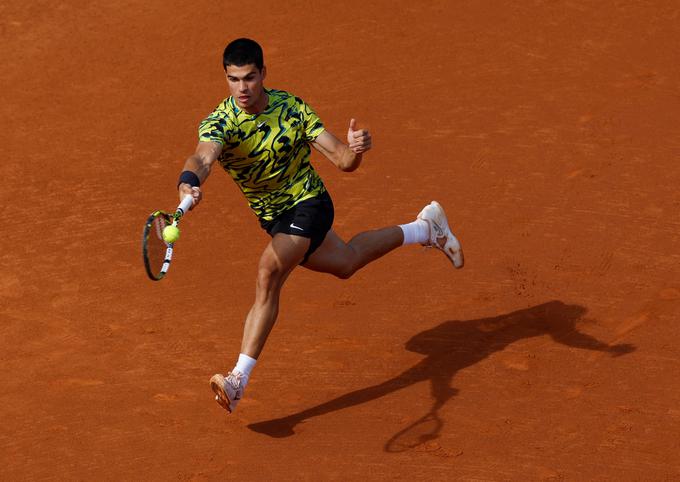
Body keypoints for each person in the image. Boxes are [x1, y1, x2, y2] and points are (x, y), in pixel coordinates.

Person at [175, 38, 464, 414]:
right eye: (233, 79)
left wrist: (356, 149)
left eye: (249, 78)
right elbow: (203, 156)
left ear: (263, 73)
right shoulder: (221, 122)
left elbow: (342, 160)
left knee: (268, 273)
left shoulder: (291, 109)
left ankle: (237, 380)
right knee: (347, 262)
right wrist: (189, 181)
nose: (242, 88)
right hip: (276, 218)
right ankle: (426, 228)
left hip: (309, 202)